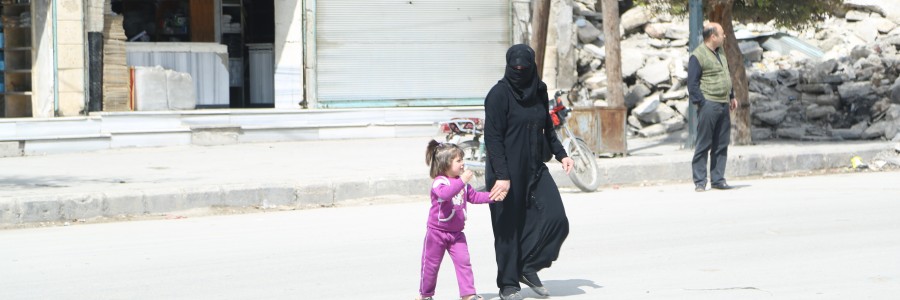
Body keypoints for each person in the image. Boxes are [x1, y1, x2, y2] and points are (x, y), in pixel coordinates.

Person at [482, 44, 575, 300]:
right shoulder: (498, 95)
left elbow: (547, 127)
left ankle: (528, 266)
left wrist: (562, 154)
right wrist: (502, 175)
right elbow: (493, 139)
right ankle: (508, 284)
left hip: (534, 167)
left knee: (556, 218)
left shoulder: (538, 90)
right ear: (509, 66)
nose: (520, 72)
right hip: (506, 171)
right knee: (508, 228)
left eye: (525, 68)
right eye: (516, 68)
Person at [417, 140, 503, 300]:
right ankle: (425, 295)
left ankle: (468, 294)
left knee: (464, 263)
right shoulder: (440, 182)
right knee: (431, 265)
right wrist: (462, 180)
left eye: (462, 160)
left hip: (456, 234)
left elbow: (475, 196)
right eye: (458, 160)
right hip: (436, 233)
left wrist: (494, 197)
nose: (463, 164)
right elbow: (445, 194)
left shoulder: (462, 183)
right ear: (445, 164)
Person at [688, 22, 738, 192]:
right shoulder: (697, 56)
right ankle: (700, 181)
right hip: (709, 103)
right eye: (722, 33)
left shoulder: (721, 52)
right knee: (704, 143)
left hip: (724, 102)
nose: (725, 36)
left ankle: (718, 179)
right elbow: (692, 85)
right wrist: (702, 104)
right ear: (713, 36)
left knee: (721, 143)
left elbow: (726, 73)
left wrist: (731, 96)